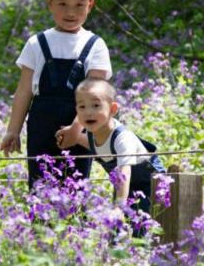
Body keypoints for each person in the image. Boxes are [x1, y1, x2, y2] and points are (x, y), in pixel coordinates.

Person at [0, 0, 112, 189]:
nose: (70, 12)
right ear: (49, 2)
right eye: (62, 4)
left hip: (79, 127)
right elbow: (24, 91)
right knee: (39, 190)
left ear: (90, 5)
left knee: (75, 191)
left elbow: (95, 98)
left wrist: (75, 130)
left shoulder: (95, 45)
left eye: (79, 5)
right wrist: (13, 130)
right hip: (41, 126)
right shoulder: (36, 43)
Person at [66, 78, 165, 236]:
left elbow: (123, 172)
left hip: (150, 186)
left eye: (96, 105)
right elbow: (98, 148)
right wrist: (74, 136)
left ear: (113, 109)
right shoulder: (93, 133)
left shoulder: (122, 138)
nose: (88, 112)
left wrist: (119, 206)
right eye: (82, 106)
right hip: (123, 187)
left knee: (142, 231)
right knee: (114, 232)